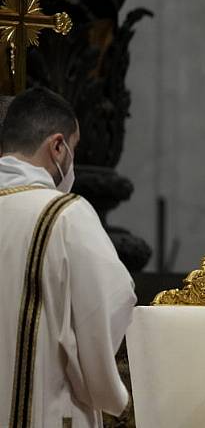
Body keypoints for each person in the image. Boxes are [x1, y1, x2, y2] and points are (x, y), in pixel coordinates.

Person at [0, 87, 136, 428]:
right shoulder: (63, 215)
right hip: (44, 411)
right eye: (72, 148)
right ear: (57, 146)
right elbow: (107, 305)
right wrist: (110, 392)